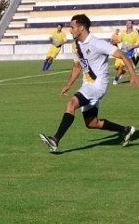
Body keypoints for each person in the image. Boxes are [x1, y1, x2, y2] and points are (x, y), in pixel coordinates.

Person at [39, 14, 138, 153]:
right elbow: (78, 67)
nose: (70, 30)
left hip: (98, 86)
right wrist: (68, 84)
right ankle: (125, 130)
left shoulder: (97, 43)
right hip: (87, 85)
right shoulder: (76, 45)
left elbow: (123, 55)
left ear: (81, 28)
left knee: (70, 104)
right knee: (92, 123)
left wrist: (133, 76)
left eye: (72, 27)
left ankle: (55, 140)